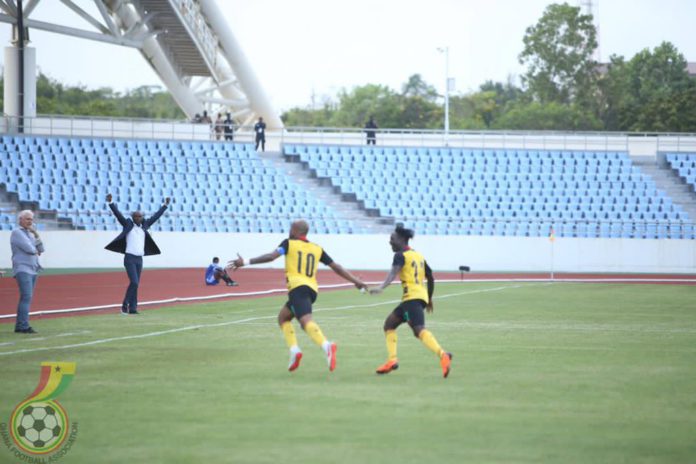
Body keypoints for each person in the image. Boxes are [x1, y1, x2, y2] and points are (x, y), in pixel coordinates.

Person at [228, 219, 367, 372]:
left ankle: (327, 346)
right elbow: (336, 267)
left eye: (291, 229)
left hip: (298, 288)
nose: (289, 231)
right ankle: (295, 351)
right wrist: (355, 281)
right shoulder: (317, 248)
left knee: (305, 321)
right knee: (283, 318)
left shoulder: (288, 243)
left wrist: (246, 261)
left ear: (295, 231)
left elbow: (271, 256)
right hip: (312, 290)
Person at [369, 225, 452, 378]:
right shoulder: (418, 256)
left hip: (412, 298)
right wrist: (429, 297)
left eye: (392, 239)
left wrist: (382, 286)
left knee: (419, 330)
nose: (390, 242)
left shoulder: (400, 255)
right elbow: (431, 276)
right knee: (389, 324)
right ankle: (392, 361)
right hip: (415, 298)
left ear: (401, 240)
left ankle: (443, 354)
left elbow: (393, 273)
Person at [104, 193, 170, 315]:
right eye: (136, 216)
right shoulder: (128, 224)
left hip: (139, 259)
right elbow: (118, 215)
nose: (138, 218)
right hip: (129, 258)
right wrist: (111, 203)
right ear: (133, 217)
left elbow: (156, 216)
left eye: (140, 216)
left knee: (136, 284)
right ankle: (124, 306)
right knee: (134, 282)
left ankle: (133, 308)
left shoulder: (145, 225)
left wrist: (165, 205)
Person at [10, 210, 44, 334]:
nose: (30, 221)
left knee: (27, 298)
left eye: (31, 219)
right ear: (21, 220)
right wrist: (35, 250)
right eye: (28, 219)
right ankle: (23, 325)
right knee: (26, 297)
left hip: (33, 269)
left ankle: (21, 325)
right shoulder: (16, 233)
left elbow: (41, 249)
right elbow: (30, 249)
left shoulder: (30, 234)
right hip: (23, 268)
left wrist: (36, 234)